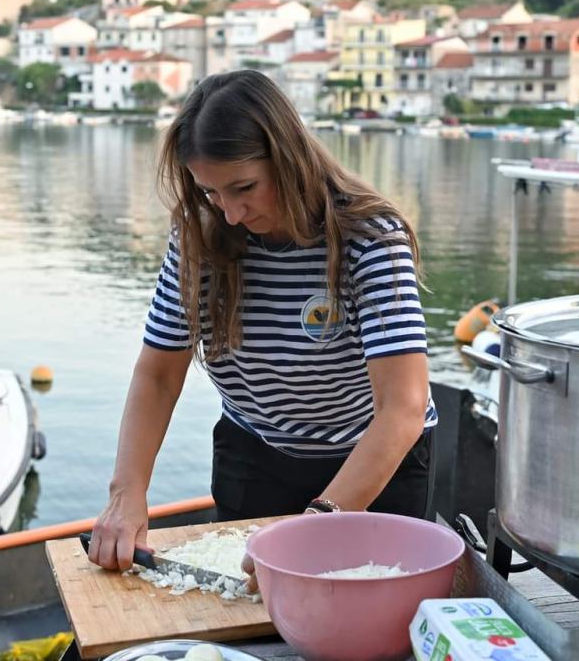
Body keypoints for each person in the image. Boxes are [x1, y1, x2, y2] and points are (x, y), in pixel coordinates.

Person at [87, 70, 437, 588]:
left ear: (289, 158)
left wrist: (322, 519)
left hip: (375, 459)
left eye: (244, 187)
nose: (229, 213)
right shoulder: (198, 232)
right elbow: (159, 375)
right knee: (249, 614)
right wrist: (127, 494)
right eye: (210, 191)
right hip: (255, 454)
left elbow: (401, 408)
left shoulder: (370, 236)